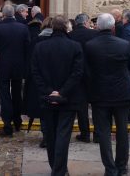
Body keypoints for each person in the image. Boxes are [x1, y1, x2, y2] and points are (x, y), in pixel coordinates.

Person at [31, 16, 84, 176]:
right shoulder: (75, 46)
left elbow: (35, 72)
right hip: (67, 97)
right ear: (66, 28)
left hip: (49, 97)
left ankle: (56, 166)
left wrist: (49, 91)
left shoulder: (40, 47)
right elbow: (77, 73)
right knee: (62, 134)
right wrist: (61, 92)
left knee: (51, 133)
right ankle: (59, 169)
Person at [84, 13, 130, 176]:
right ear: (113, 27)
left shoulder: (90, 45)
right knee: (122, 131)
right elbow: (129, 66)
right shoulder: (124, 45)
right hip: (121, 92)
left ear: (98, 26)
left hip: (100, 94)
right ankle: (121, 166)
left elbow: (87, 71)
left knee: (103, 132)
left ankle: (110, 168)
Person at [0, 4, 30, 136]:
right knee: (17, 94)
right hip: (18, 65)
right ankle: (17, 121)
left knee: (5, 94)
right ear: (14, 13)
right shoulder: (23, 28)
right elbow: (27, 48)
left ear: (3, 14)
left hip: (3, 65)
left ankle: (7, 124)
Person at [69, 13, 98, 143]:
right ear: (86, 22)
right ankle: (98, 134)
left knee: (82, 106)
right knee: (97, 106)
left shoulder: (70, 36)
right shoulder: (95, 34)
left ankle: (85, 133)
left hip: (77, 74)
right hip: (93, 74)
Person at [26, 16, 54, 148]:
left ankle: (46, 136)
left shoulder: (36, 41)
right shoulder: (58, 40)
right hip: (54, 79)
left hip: (39, 80)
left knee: (44, 109)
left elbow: (30, 61)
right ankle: (52, 135)